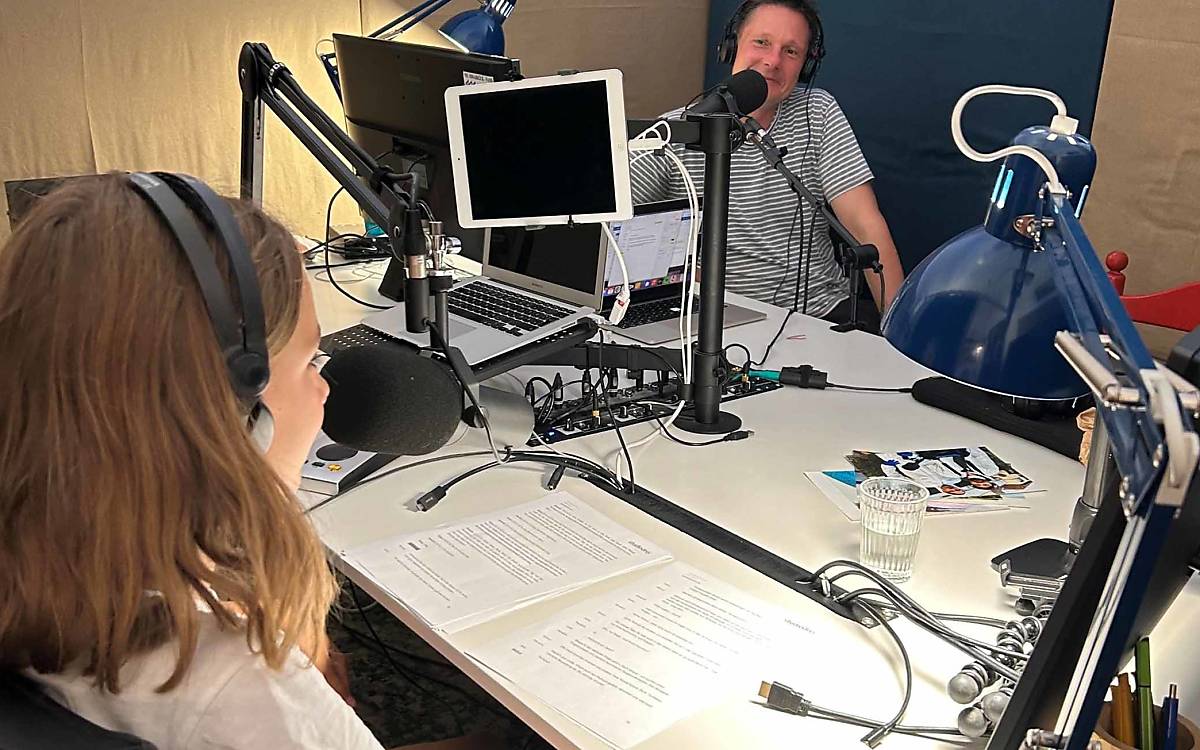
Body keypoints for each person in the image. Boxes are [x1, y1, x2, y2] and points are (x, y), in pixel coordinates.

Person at [0, 174, 493, 750]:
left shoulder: (52, 564)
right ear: (236, 423)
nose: (325, 391)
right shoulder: (233, 677)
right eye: (312, 362)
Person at [629, 0, 904, 329]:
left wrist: (898, 331)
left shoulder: (818, 111)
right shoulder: (676, 130)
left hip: (821, 312)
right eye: (762, 42)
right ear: (731, 47)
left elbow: (865, 225)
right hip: (715, 318)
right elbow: (606, 223)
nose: (772, 61)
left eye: (790, 51)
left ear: (805, 65)